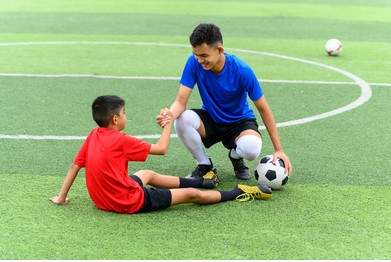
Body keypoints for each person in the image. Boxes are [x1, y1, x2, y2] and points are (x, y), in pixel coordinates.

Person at [50, 95, 272, 214]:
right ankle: (238, 192)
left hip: (103, 199)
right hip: (128, 201)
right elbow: (162, 149)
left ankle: (203, 181)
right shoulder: (121, 140)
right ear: (115, 120)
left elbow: (75, 166)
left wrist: (61, 198)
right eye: (124, 113)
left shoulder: (93, 135)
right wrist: (168, 123)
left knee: (146, 173)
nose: (126, 116)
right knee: (191, 196)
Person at [157, 23, 292, 181]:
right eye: (196, 54)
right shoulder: (193, 63)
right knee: (181, 119)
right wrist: (170, 115)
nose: (199, 60)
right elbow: (180, 102)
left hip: (239, 122)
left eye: (204, 56)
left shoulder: (242, 70)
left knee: (252, 148)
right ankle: (204, 164)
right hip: (210, 118)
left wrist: (279, 149)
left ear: (219, 49)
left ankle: (235, 156)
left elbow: (263, 109)